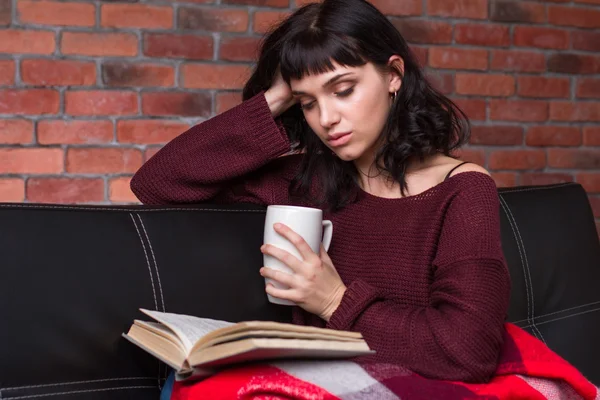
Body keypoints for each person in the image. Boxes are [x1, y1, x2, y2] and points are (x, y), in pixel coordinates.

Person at [131, 0, 510, 384]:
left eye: (343, 90)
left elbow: (469, 351)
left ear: (394, 74)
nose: (326, 119)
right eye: (308, 102)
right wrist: (275, 99)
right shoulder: (303, 183)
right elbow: (157, 183)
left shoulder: (461, 190)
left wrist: (334, 301)